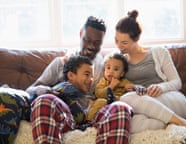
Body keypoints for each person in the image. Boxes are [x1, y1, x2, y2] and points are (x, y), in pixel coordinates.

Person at [27, 16, 133, 144]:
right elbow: (29, 90)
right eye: (87, 40)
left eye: (97, 43)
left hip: (94, 115)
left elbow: (121, 66)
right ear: (81, 34)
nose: (91, 46)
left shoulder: (104, 65)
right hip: (66, 114)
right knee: (44, 100)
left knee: (121, 108)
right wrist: (41, 90)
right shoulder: (61, 63)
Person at [114, 10, 186, 142]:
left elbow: (177, 82)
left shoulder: (158, 52)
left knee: (127, 98)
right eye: (116, 40)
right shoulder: (118, 62)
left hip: (170, 100)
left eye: (124, 43)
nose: (119, 46)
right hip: (143, 109)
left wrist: (161, 87)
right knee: (131, 124)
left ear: (137, 39)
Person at [87, 53, 134, 121]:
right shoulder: (103, 81)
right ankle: (89, 121)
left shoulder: (124, 82)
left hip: (117, 105)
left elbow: (131, 94)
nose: (111, 72)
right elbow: (98, 93)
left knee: (123, 102)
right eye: (108, 68)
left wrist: (130, 89)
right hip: (104, 105)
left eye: (116, 69)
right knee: (100, 101)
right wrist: (111, 87)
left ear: (122, 73)